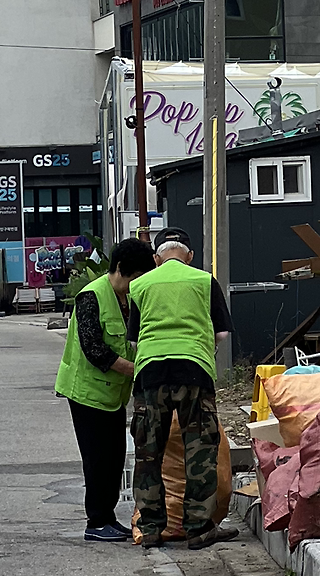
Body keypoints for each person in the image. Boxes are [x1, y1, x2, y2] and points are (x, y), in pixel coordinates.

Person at [127, 228, 235, 551]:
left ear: (156, 258)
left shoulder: (140, 285)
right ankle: (198, 529)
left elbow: (133, 341)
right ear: (189, 256)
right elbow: (222, 333)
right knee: (199, 451)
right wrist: (202, 348)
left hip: (150, 374)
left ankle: (150, 529)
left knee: (149, 453)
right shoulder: (204, 281)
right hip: (194, 372)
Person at [55, 238, 156, 543]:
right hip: (86, 393)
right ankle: (96, 521)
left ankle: (108, 518)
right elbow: (95, 350)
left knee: (114, 458)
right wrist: (137, 369)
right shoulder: (92, 296)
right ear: (120, 268)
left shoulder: (129, 298)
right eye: (135, 277)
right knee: (97, 459)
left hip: (113, 396)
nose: (137, 284)